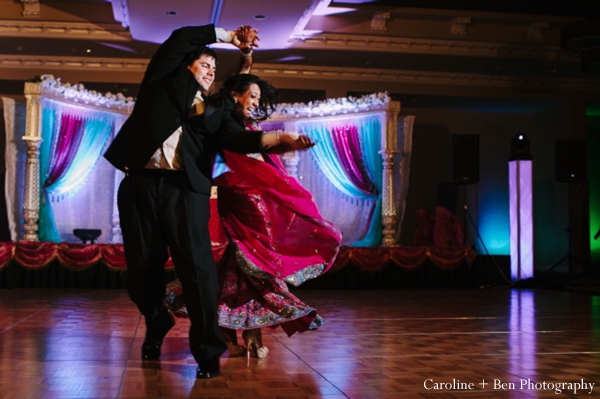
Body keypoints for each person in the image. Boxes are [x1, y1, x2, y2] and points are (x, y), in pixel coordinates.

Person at [103, 24, 314, 379]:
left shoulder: (216, 112)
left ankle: (207, 352)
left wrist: (282, 138)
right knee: (141, 273)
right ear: (186, 66)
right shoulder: (161, 82)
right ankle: (156, 323)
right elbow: (179, 38)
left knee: (198, 272)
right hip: (140, 185)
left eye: (215, 69)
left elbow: (238, 139)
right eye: (206, 65)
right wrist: (229, 37)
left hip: (186, 191)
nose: (212, 71)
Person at [165, 72, 342, 359]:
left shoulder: (244, 122)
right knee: (254, 256)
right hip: (239, 193)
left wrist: (289, 143)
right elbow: (236, 147)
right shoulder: (224, 120)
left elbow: (259, 148)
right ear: (235, 95)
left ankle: (244, 330)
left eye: (259, 97)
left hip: (257, 192)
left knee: (244, 259)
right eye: (253, 95)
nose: (256, 101)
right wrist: (281, 138)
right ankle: (242, 332)